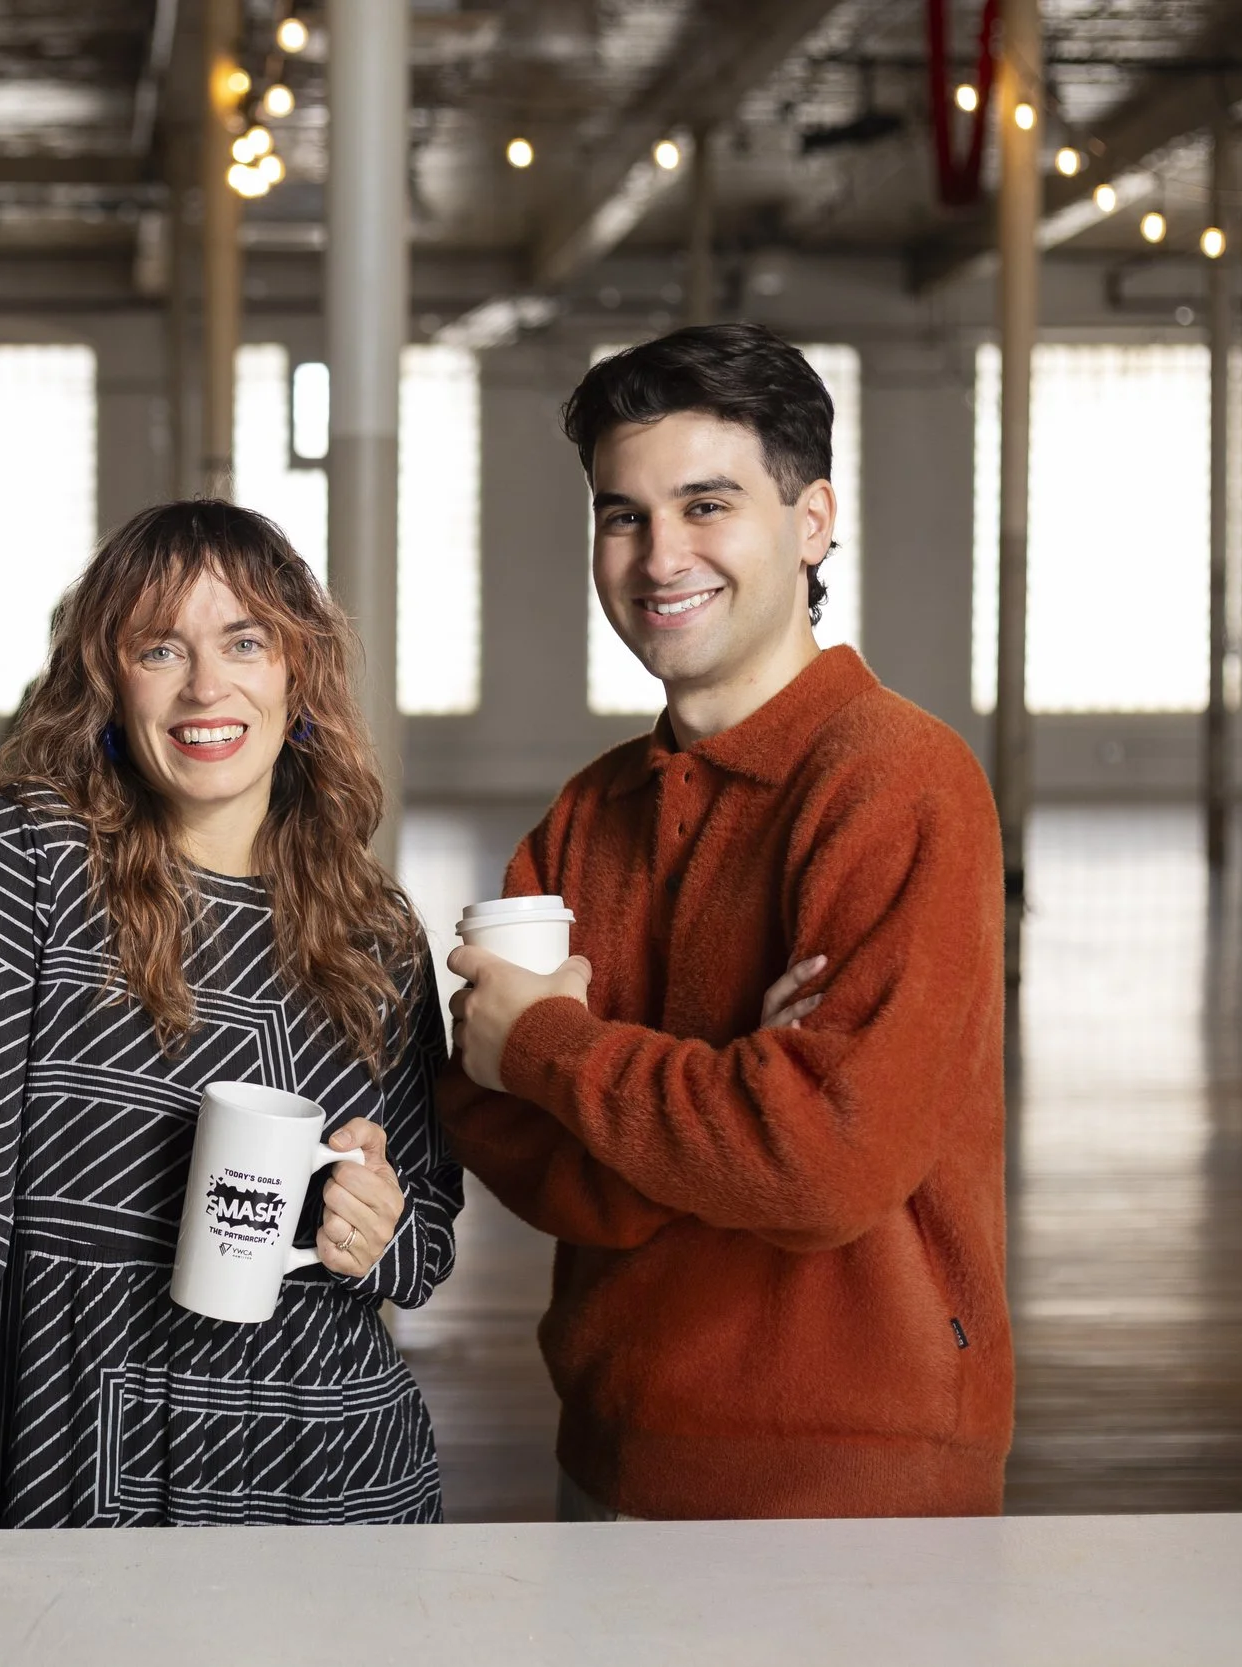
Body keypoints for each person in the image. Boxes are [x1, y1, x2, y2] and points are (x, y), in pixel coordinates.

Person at [0, 500, 462, 1560]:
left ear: (296, 675)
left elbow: (427, 1236)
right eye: (159, 647)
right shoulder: (26, 860)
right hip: (74, 1464)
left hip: (335, 1473)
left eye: (245, 641)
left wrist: (380, 1227)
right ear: (107, 679)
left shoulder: (379, 928)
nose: (206, 687)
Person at [439, 324, 1011, 1520]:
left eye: (708, 505)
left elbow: (823, 1168)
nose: (660, 556)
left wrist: (559, 1051)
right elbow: (495, 1128)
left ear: (810, 522)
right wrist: (728, 1098)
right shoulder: (588, 815)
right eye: (622, 515)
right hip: (611, 1447)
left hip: (854, 1480)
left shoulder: (897, 781)